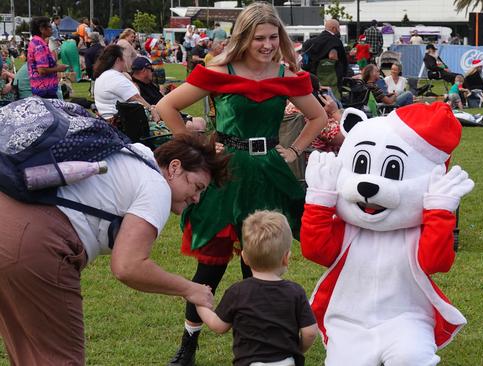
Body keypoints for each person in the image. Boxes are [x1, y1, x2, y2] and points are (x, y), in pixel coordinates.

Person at [156, 3, 327, 365]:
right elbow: (167, 107)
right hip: (224, 175)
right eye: (259, 38)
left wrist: (294, 151)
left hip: (266, 175)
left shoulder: (286, 74)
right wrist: (197, 147)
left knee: (260, 267)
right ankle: (188, 345)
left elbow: (318, 116)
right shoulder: (219, 71)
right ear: (243, 38)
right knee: (210, 267)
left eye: (273, 37)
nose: (267, 45)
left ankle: (262, 346)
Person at [0, 132, 227, 365]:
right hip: (36, 246)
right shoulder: (157, 186)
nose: (197, 198)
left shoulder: (134, 152)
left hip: (7, 221)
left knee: (28, 353)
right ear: (174, 167)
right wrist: (190, 289)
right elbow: (128, 266)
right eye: (197, 187)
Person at [196, 210, 318, 366]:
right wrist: (298, 349)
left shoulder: (237, 292)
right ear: (286, 258)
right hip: (286, 362)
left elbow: (218, 325)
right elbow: (310, 332)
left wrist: (200, 304)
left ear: (244, 257)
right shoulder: (295, 292)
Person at [93, 45, 159, 123]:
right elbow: (136, 97)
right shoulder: (114, 77)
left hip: (110, 120)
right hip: (122, 124)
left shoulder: (104, 75)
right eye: (124, 58)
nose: (126, 61)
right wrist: (152, 109)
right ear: (118, 60)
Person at [27, 16, 68, 99]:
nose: (51, 29)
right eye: (49, 26)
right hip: (44, 90)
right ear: (42, 29)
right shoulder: (39, 46)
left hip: (41, 88)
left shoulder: (36, 42)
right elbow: (41, 70)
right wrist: (59, 69)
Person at [302, 19, 348, 92]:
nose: (339, 30)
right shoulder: (334, 40)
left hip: (313, 79)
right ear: (334, 28)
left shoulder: (310, 42)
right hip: (330, 80)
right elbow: (332, 56)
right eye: (338, 28)